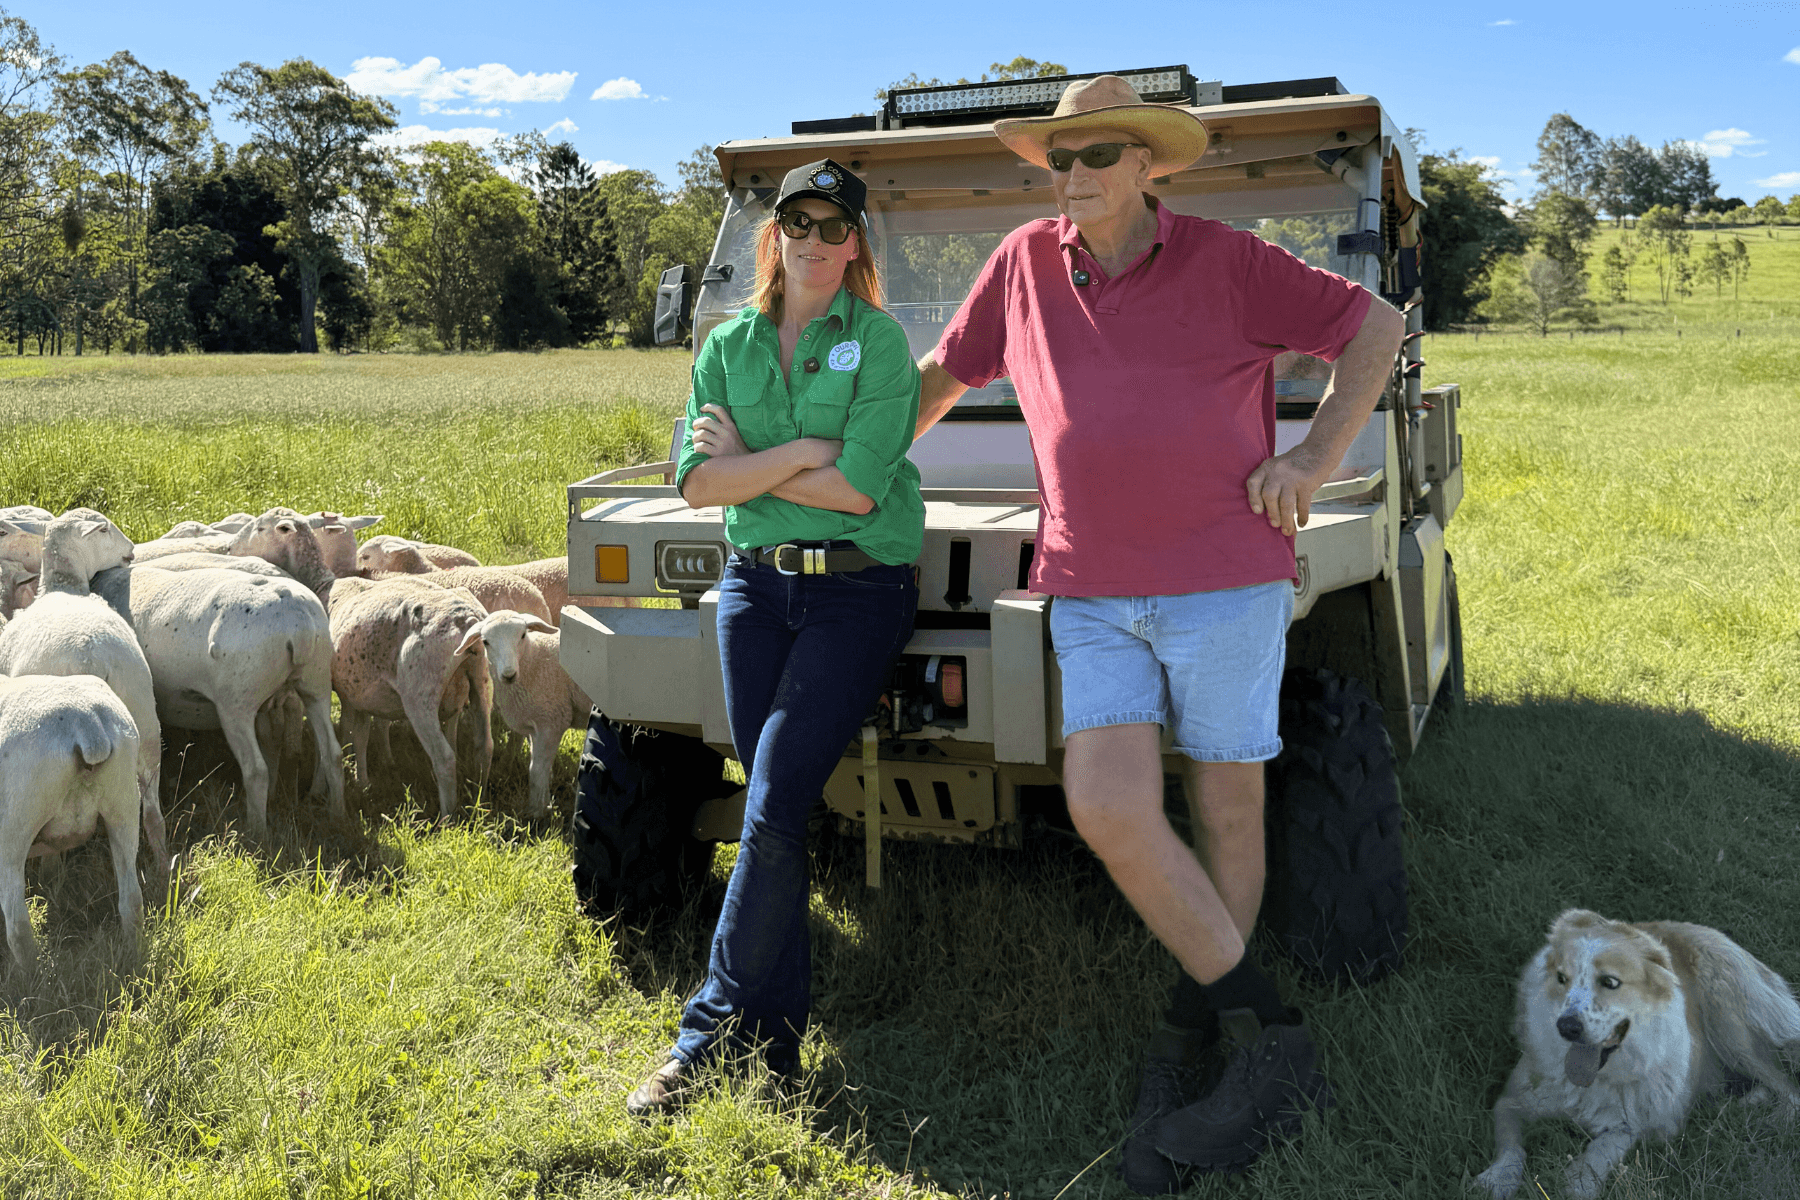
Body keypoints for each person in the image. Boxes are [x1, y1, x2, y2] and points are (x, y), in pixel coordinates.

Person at [913, 77, 1405, 1190]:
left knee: (1227, 804)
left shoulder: (1228, 261)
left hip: (1222, 579)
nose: (1074, 174)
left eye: (1098, 154)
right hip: (1090, 588)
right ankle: (1273, 1040)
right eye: (1059, 158)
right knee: (1108, 804)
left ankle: (1200, 1038)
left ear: (1148, 165)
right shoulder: (1022, 265)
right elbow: (941, 377)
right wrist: (837, 465)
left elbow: (1373, 326)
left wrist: (1313, 460)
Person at [626, 158, 924, 1115]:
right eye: (799, 219)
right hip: (756, 591)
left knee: (774, 801)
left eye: (835, 226)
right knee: (773, 812)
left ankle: (703, 1038)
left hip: (858, 591)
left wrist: (756, 461)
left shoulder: (878, 344)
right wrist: (801, 455)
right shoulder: (726, 346)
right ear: (775, 235)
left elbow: (862, 490)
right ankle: (777, 1043)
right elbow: (695, 485)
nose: (815, 238)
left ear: (855, 245)